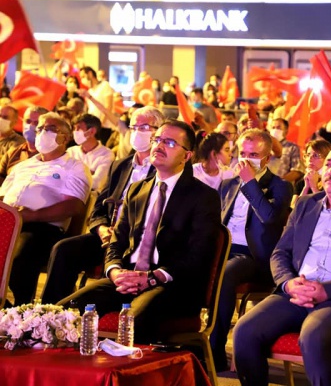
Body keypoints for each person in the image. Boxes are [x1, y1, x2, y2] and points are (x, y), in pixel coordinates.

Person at [233, 145, 331, 386]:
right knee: (245, 331)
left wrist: (326, 291)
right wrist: (288, 284)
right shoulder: (306, 204)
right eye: (328, 164)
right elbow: (280, 253)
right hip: (296, 292)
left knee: (314, 336)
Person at [57, 121, 221, 341]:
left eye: (170, 143)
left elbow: (199, 255)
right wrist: (115, 272)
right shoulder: (137, 190)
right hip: (127, 279)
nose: (159, 146)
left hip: (170, 284)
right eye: (157, 140)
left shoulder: (203, 196)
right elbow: (117, 241)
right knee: (61, 313)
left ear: (187, 156)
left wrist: (151, 278)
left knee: (132, 324)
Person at [41, 107, 162, 304]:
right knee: (64, 250)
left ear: (158, 132)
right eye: (133, 127)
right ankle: (51, 313)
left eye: (144, 127)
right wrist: (101, 229)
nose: (136, 132)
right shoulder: (121, 166)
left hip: (138, 241)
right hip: (107, 237)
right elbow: (99, 208)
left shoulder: (161, 169)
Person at [211, 129, 293, 371]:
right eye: (243, 153)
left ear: (267, 158)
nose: (246, 160)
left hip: (255, 256)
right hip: (224, 249)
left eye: (254, 155)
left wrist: (250, 182)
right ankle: (190, 341)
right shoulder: (227, 184)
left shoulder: (280, 186)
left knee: (225, 273)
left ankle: (215, 351)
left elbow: (269, 218)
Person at [0, 113, 91, 305]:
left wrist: (32, 215)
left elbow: (74, 206)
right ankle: (5, 307)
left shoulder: (74, 167)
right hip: (7, 223)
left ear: (65, 138)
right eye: (40, 129)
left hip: (42, 228)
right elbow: (2, 196)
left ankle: (21, 307)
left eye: (50, 129)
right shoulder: (23, 166)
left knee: (20, 259)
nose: (42, 133)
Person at [0, 106, 48, 185]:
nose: (31, 125)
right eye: (28, 121)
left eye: (36, 123)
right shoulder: (12, 154)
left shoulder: (51, 156)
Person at [67, 114, 115, 191]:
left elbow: (97, 183)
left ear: (92, 131)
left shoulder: (107, 154)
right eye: (74, 128)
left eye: (78, 128)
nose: (75, 132)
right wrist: (88, 173)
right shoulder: (71, 151)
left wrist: (72, 174)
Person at [291, 139, 331, 208]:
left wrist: (313, 187)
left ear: (327, 159)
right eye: (308, 155)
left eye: (316, 155)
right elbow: (294, 208)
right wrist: (306, 187)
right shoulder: (301, 182)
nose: (310, 159)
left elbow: (326, 208)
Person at [80, 66, 115, 144]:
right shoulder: (89, 91)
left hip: (104, 126)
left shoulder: (104, 85)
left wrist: (101, 124)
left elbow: (108, 106)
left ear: (90, 74)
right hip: (92, 127)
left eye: (83, 76)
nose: (82, 80)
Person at [267, 118, 304, 183]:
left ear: (286, 131)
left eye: (278, 128)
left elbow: (297, 171)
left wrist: (279, 183)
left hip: (282, 186)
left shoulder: (293, 147)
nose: (275, 130)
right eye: (273, 127)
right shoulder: (264, 146)